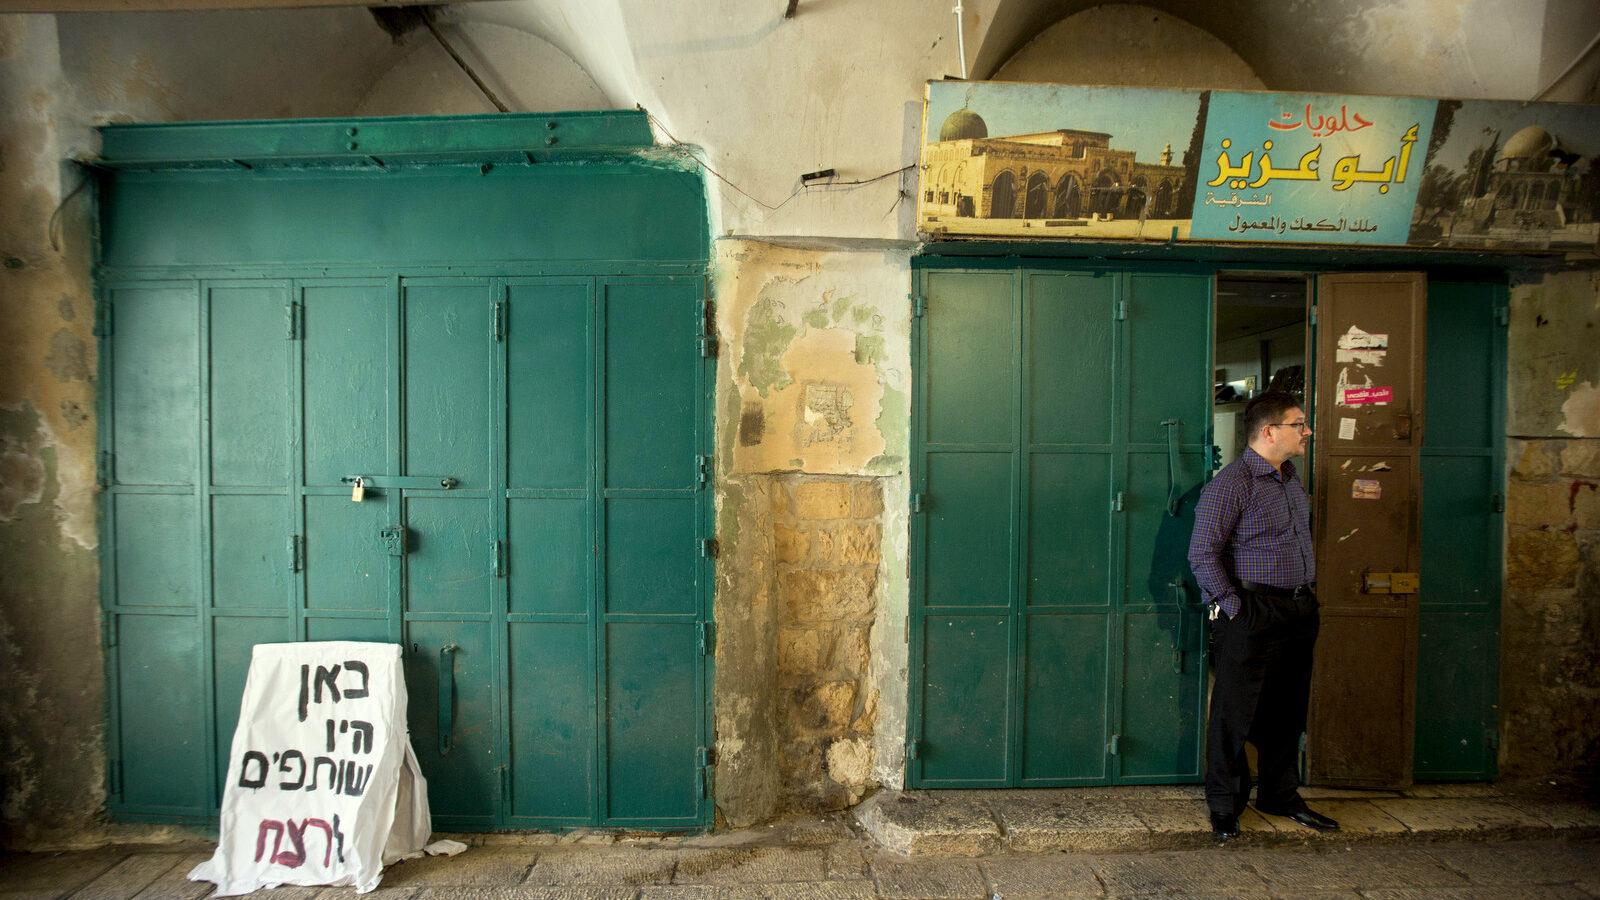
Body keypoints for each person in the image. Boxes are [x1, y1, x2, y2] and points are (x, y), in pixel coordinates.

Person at [1187, 390, 1339, 844]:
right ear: (1269, 431)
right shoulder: (1232, 483)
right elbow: (1202, 554)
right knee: (1235, 711)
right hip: (1253, 610)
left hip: (1298, 608)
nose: (1307, 432)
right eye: (1299, 424)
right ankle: (1225, 804)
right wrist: (1235, 608)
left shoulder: (1290, 478)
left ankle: (1280, 795)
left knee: (1287, 709)